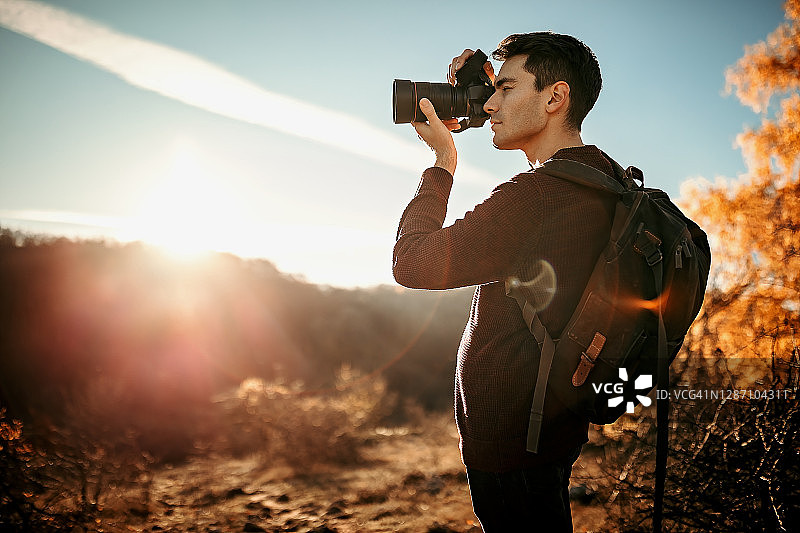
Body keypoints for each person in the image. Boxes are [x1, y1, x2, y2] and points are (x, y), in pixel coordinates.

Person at [393, 32, 616, 532]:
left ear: (555, 98)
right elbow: (543, 199)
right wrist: (492, 99)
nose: (493, 102)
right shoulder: (602, 181)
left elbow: (412, 262)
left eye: (508, 89)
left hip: (512, 448)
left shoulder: (538, 197)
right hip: (549, 433)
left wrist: (443, 163)